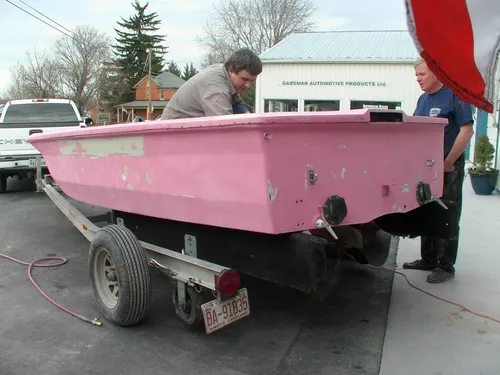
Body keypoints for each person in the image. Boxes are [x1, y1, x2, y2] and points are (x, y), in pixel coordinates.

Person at [403, 58, 474, 283]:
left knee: (447, 213)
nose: (418, 80)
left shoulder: (456, 94)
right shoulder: (423, 100)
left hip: (449, 164)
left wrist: (449, 161)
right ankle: (429, 258)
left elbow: (467, 130)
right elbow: (415, 133)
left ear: (435, 72)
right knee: (427, 210)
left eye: (422, 75)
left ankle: (446, 266)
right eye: (416, 76)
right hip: (426, 166)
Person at [160, 48, 262, 120]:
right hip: (172, 135)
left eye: (252, 81)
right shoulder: (215, 87)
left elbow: (237, 106)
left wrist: (252, 120)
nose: (248, 85)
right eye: (244, 79)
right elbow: (226, 126)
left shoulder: (223, 72)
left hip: (190, 133)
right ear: (231, 70)